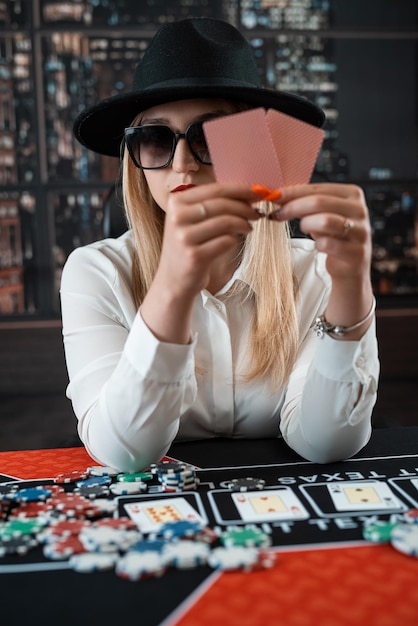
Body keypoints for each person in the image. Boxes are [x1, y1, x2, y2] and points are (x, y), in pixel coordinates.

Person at [62, 17, 379, 472]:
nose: (184, 165)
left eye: (209, 136)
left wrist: (351, 289)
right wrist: (173, 286)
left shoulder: (318, 270)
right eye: (154, 139)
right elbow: (124, 451)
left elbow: (327, 443)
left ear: (255, 152)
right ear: (137, 162)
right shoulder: (95, 272)